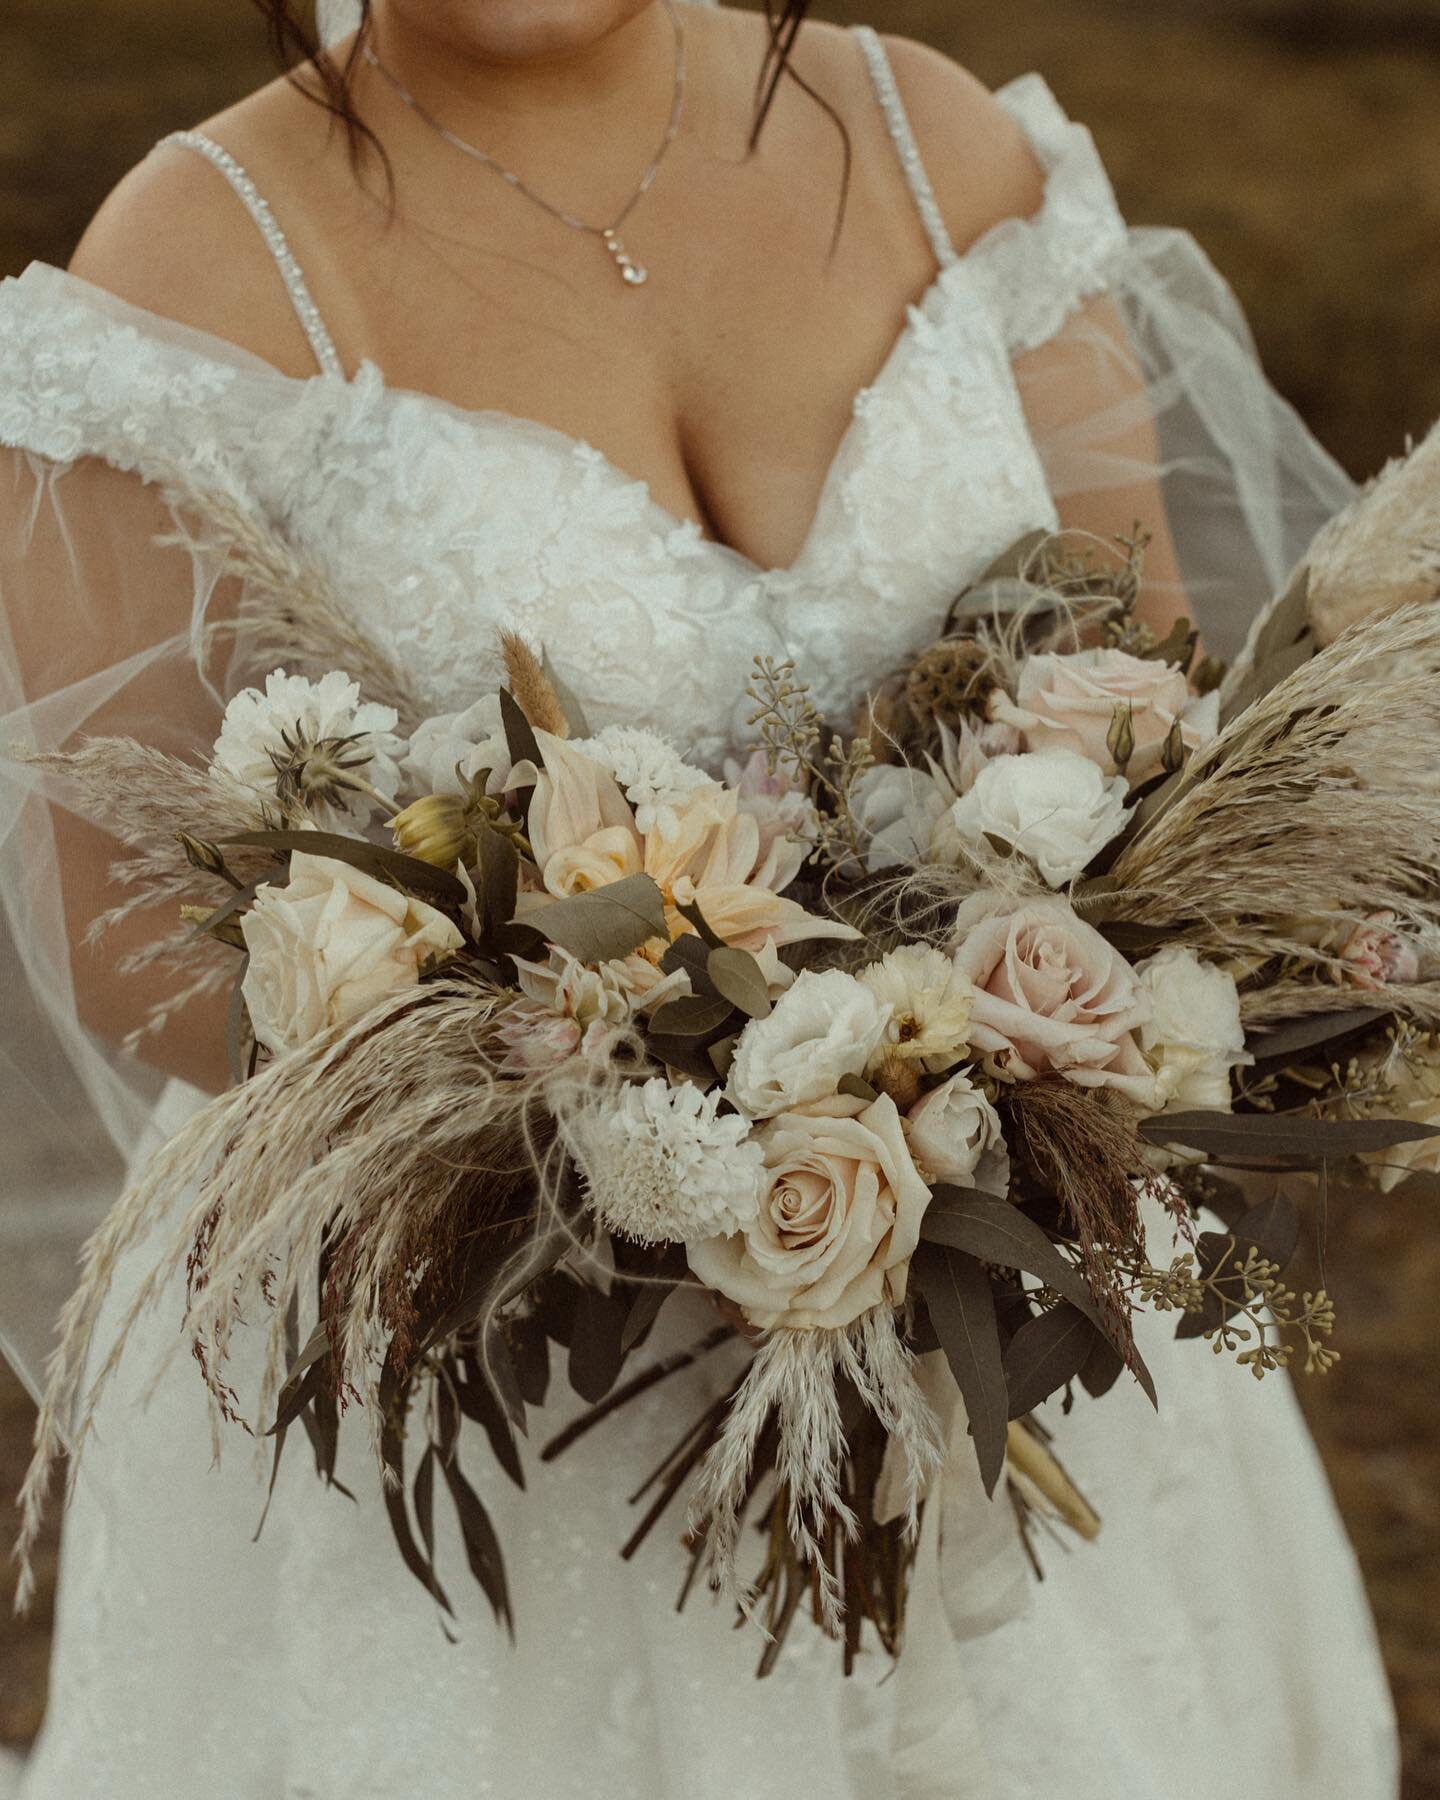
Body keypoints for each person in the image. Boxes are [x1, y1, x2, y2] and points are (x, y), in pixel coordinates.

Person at [0, 2, 1400, 1794]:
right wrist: (636, 1126)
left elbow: (1139, 698)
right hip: (506, 1376)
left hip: (1022, 1304)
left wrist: (964, 1113)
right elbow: (129, 931)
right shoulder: (186, 265)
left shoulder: (940, 145)